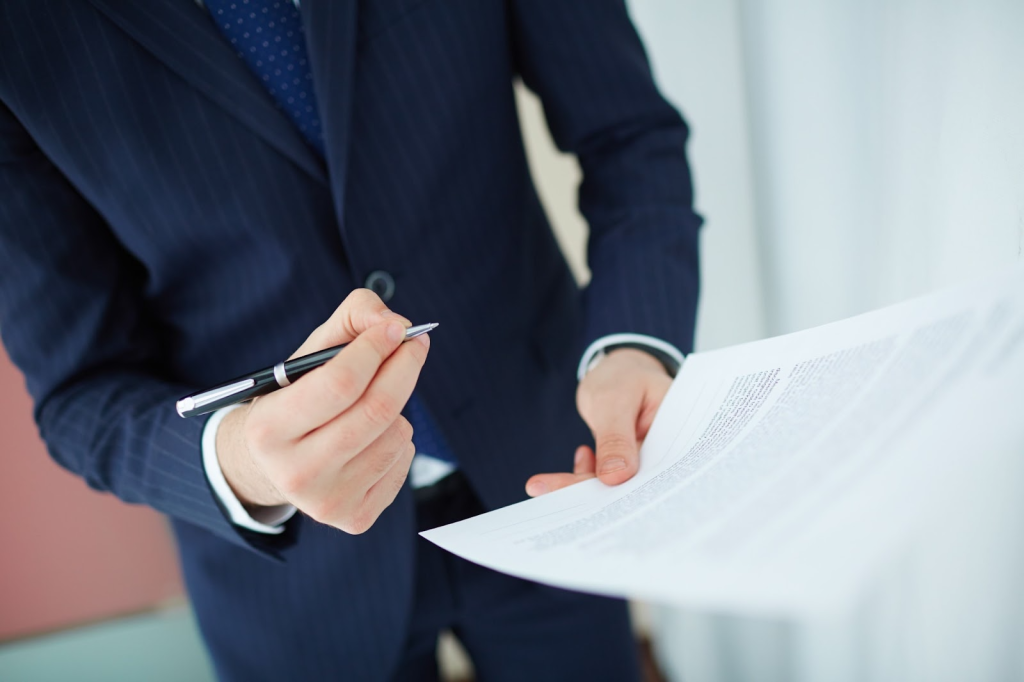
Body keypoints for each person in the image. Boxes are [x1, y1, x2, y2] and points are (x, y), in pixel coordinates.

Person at [0, 1, 700, 679]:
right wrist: (243, 461)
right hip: (291, 584)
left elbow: (629, 137)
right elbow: (80, 391)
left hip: (550, 472)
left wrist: (633, 343)